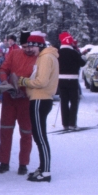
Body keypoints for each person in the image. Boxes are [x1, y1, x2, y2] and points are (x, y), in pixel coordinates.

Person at [16, 32, 59, 182]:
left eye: (31, 46)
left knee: (40, 137)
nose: (29, 49)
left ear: (38, 45)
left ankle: (45, 171)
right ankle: (42, 167)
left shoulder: (46, 58)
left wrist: (23, 81)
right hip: (40, 99)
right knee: (38, 135)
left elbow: (41, 82)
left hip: (40, 99)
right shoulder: (44, 57)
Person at [0, 34, 38, 175]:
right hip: (10, 97)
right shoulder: (14, 53)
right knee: (5, 130)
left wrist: (25, 86)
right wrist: (4, 81)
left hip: (26, 99)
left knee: (26, 132)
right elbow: (3, 69)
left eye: (30, 47)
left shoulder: (39, 58)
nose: (28, 49)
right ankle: (4, 162)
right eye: (25, 46)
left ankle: (23, 164)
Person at [57, 31, 86, 130]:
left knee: (64, 101)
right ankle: (72, 123)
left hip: (60, 79)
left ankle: (65, 124)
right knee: (74, 101)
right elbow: (82, 63)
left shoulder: (58, 53)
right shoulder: (74, 52)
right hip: (73, 79)